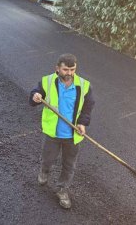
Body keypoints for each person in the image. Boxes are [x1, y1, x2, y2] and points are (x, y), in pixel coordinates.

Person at [29, 53, 95, 209]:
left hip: (72, 135)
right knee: (48, 159)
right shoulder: (47, 81)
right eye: (66, 69)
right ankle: (44, 172)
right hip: (52, 133)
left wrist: (82, 123)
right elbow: (33, 97)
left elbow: (88, 106)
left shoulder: (84, 85)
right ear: (57, 68)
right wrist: (35, 96)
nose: (70, 73)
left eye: (73, 70)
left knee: (69, 165)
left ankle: (62, 189)